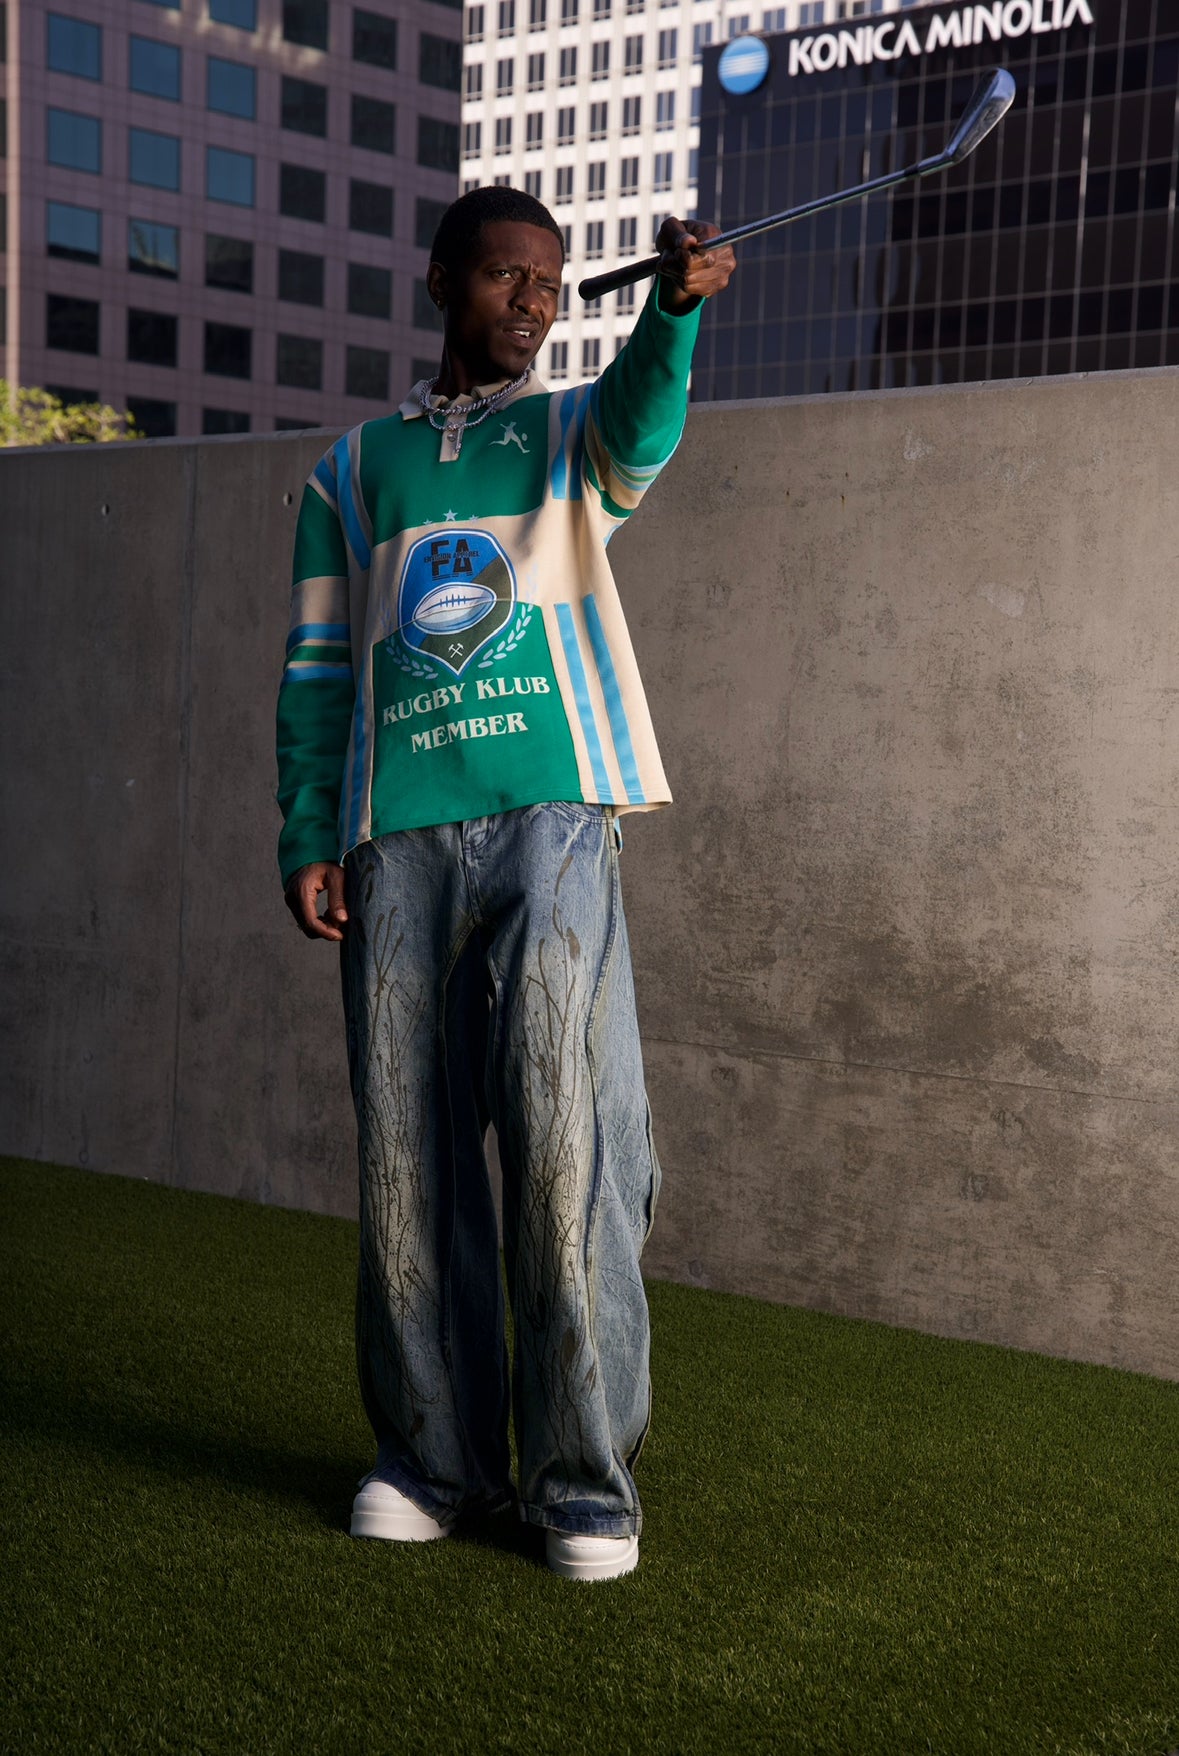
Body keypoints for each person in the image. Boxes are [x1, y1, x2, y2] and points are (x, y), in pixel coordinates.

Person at [277, 186, 735, 1581]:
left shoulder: (567, 436)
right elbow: (316, 672)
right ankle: (434, 1462)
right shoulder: (351, 472)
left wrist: (672, 314)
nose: (531, 303)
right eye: (503, 279)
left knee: (565, 1144)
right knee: (408, 1160)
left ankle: (582, 1487)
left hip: (553, 826)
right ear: (441, 282)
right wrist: (309, 832)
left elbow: (643, 427)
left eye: (548, 283)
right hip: (395, 840)